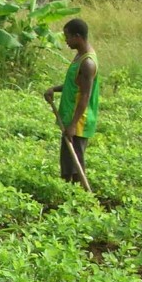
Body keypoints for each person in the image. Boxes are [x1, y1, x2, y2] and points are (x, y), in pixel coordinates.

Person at [44, 18, 99, 183]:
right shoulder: (79, 57)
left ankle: (80, 198)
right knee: (68, 163)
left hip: (79, 120)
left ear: (78, 36)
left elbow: (85, 95)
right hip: (71, 118)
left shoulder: (87, 63)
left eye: (68, 37)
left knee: (76, 164)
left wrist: (74, 124)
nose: (66, 41)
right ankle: (67, 192)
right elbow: (74, 84)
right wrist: (54, 89)